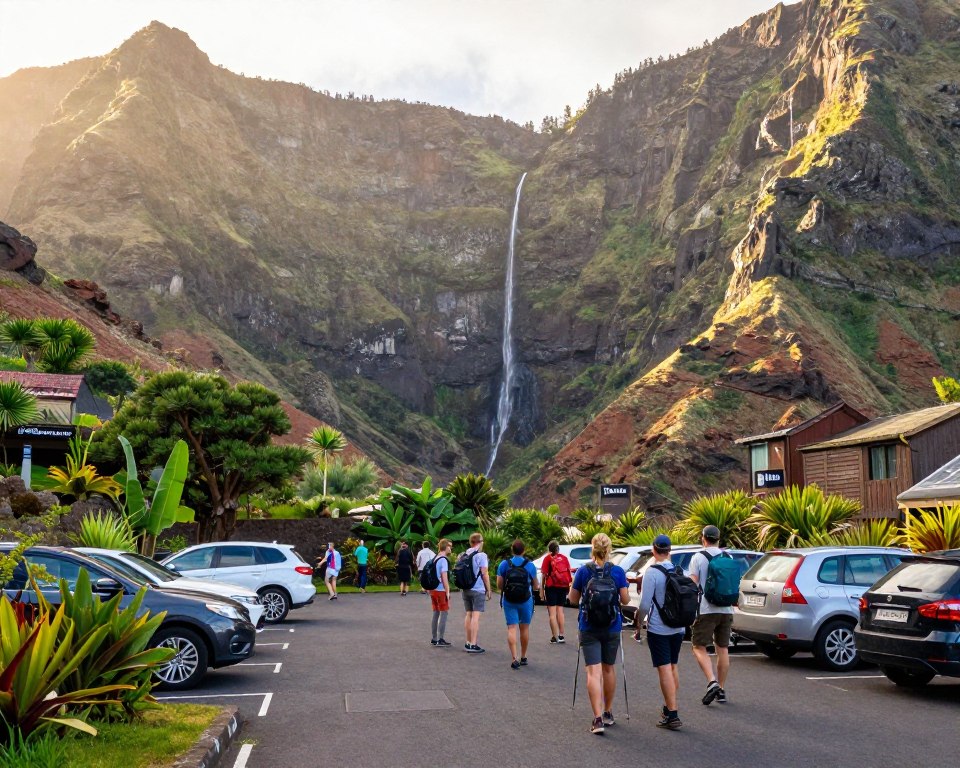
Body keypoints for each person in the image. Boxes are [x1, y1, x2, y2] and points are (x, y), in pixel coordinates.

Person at [568, 532, 630, 735]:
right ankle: (608, 712)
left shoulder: (583, 572)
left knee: (593, 672)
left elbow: (573, 600)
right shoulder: (618, 571)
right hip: (612, 626)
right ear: (609, 548)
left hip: (588, 626)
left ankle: (596, 719)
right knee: (608, 669)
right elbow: (626, 600)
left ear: (592, 548)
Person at [638, 534, 686, 729]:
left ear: (654, 550)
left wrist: (639, 624)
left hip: (659, 627)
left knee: (664, 668)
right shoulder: (679, 569)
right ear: (669, 550)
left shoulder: (652, 572)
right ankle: (669, 707)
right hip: (679, 627)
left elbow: (644, 604)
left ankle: (672, 714)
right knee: (673, 665)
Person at [688, 525, 734, 705]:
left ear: (703, 538)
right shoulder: (728, 556)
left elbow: (693, 584)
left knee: (698, 646)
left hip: (706, 609)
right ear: (719, 538)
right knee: (722, 648)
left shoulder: (698, 557)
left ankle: (712, 681)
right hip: (726, 608)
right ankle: (721, 689)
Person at [496, 539, 540, 669]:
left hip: (509, 600)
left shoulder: (504, 564)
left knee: (512, 628)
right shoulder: (530, 565)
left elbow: (499, 584)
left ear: (512, 550)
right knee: (524, 628)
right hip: (526, 600)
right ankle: (523, 656)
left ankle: (514, 658)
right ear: (524, 550)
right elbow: (536, 586)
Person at [459, 532, 492, 653]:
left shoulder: (464, 554)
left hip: (466, 588)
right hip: (477, 589)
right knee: (476, 616)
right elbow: (484, 573)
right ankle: (473, 643)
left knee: (468, 614)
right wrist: (488, 589)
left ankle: (468, 641)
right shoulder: (481, 555)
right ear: (479, 542)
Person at [539, 540, 571, 643]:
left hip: (551, 586)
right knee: (560, 611)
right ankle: (561, 635)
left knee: (552, 614)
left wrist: (542, 590)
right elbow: (568, 573)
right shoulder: (564, 558)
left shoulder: (547, 558)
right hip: (562, 586)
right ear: (558, 549)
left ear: (549, 549)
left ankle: (554, 636)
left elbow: (544, 575)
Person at [429, 539, 453, 647]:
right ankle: (440, 638)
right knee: (444, 613)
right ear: (446, 547)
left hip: (433, 589)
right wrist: (448, 591)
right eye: (450, 546)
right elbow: (444, 577)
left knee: (435, 613)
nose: (451, 548)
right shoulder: (443, 559)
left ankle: (434, 638)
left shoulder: (436, 558)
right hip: (440, 590)